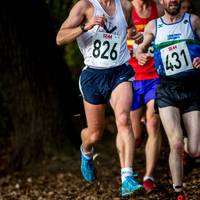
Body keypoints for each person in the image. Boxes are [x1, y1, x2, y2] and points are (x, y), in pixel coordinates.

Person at [56, 0, 143, 197]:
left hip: (120, 71)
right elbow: (60, 38)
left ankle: (127, 178)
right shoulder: (85, 6)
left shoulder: (126, 6)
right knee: (95, 134)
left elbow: (129, 28)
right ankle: (85, 150)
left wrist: (133, 34)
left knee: (123, 119)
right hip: (93, 75)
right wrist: (87, 26)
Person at [136, 0, 200, 199]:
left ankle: (191, 146)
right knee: (176, 143)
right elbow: (142, 45)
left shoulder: (194, 21)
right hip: (166, 89)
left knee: (195, 150)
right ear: (161, 1)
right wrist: (140, 53)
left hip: (191, 89)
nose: (172, 0)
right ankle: (179, 191)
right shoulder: (154, 25)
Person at [126, 0, 163, 193]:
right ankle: (127, 173)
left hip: (155, 75)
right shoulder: (124, 8)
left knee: (154, 123)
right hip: (130, 77)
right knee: (134, 134)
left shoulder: (160, 7)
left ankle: (149, 177)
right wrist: (129, 36)